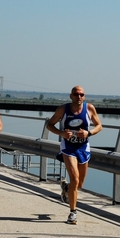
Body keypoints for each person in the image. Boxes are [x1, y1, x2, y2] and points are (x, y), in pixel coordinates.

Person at [46, 85, 102, 224]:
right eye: (76, 94)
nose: (79, 97)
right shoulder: (63, 109)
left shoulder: (89, 108)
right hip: (68, 147)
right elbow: (49, 124)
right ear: (70, 96)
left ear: (84, 96)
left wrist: (88, 133)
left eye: (81, 94)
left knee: (79, 184)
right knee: (75, 179)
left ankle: (66, 188)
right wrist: (62, 134)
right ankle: (73, 213)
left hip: (83, 147)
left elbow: (99, 126)